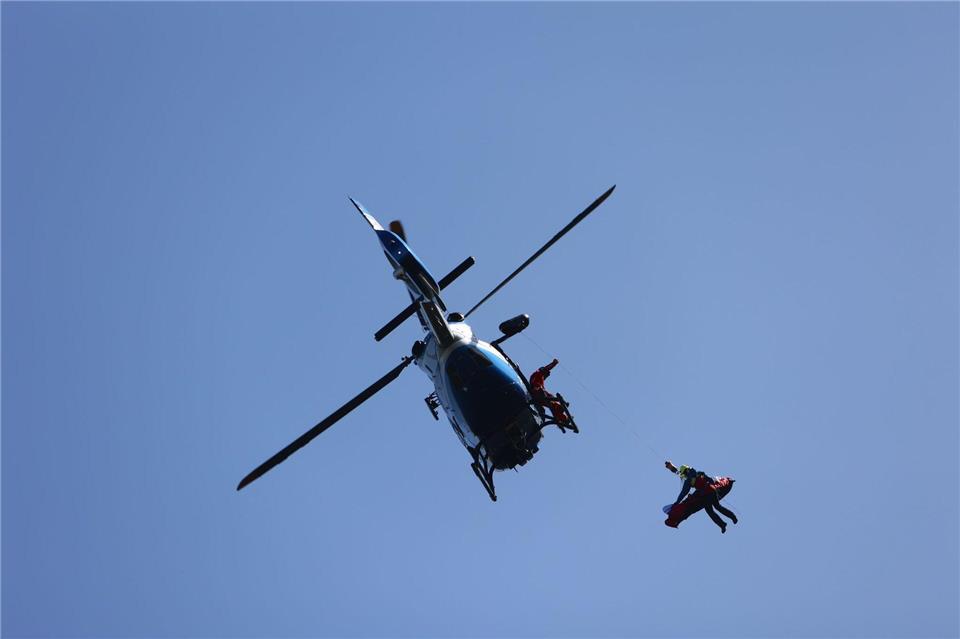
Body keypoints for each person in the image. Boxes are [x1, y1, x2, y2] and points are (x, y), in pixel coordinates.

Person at [665, 460, 738, 533]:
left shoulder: (689, 480)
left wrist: (677, 502)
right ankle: (731, 519)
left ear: (686, 472)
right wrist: (671, 467)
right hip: (711, 490)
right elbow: (679, 473)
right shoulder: (697, 473)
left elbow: (684, 492)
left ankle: (724, 524)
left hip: (707, 493)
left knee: (711, 510)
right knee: (717, 507)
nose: (684, 476)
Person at [529, 359, 571, 426]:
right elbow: (548, 368)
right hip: (537, 394)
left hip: (540, 397)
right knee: (549, 397)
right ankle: (560, 410)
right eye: (546, 375)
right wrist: (554, 363)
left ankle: (563, 417)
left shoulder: (540, 377)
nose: (546, 377)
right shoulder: (538, 374)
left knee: (553, 403)